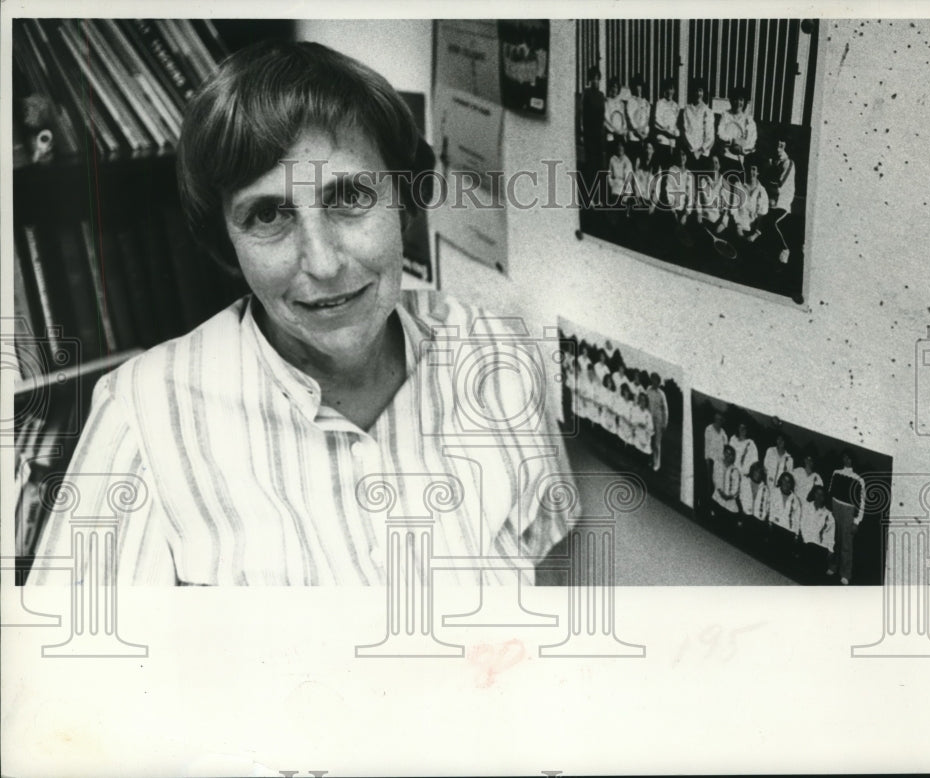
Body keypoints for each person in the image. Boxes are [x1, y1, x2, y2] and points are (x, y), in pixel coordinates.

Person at [29, 41, 575, 586]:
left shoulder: (500, 358)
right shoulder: (143, 417)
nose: (322, 261)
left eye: (350, 196)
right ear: (227, 244)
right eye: (268, 214)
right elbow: (74, 661)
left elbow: (547, 582)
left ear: (405, 203)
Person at [827, 449, 867, 585]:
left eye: (849, 458)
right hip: (835, 507)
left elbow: (862, 503)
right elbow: (830, 492)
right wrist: (829, 511)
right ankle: (832, 566)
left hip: (848, 512)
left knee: (846, 544)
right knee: (833, 540)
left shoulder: (859, 479)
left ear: (853, 460)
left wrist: (857, 522)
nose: (846, 460)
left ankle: (845, 574)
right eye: (845, 457)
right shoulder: (836, 473)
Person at [764, 137, 796, 263]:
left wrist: (767, 181)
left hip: (782, 203)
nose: (778, 148)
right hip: (768, 203)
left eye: (781, 145)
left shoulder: (789, 163)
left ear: (785, 146)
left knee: (769, 222)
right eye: (776, 145)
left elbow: (779, 185)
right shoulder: (771, 162)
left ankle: (785, 249)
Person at [716, 88, 757, 175]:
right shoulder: (725, 115)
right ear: (731, 101)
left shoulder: (748, 119)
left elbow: (751, 141)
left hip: (741, 157)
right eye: (735, 99)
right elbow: (720, 133)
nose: (738, 102)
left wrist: (741, 148)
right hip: (725, 155)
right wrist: (733, 141)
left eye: (741, 100)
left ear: (745, 101)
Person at [581, 65, 607, 195]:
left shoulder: (602, 95)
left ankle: (598, 194)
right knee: (590, 164)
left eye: (597, 78)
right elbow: (582, 114)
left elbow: (603, 115)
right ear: (590, 80)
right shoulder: (586, 94)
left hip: (599, 134)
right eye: (593, 79)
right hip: (589, 134)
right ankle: (588, 193)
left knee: (599, 164)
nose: (595, 81)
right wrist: (582, 132)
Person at [801, 485, 836, 573]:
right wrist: (806, 541)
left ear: (825, 498)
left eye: (822, 495)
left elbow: (831, 535)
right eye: (817, 494)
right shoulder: (806, 506)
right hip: (806, 542)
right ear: (813, 494)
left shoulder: (828, 514)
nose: (819, 497)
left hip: (820, 547)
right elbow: (802, 524)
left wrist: (830, 550)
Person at [732, 162, 770, 242]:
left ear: (758, 172)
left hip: (754, 234)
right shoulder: (738, 185)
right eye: (748, 169)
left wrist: (754, 236)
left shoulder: (762, 191)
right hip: (737, 229)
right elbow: (733, 210)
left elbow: (763, 215)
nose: (750, 171)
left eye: (753, 169)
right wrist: (739, 230)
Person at [681, 80, 714, 167]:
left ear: (703, 92)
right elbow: (685, 130)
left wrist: (700, 151)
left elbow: (710, 135)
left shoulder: (708, 111)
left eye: (700, 90)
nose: (698, 93)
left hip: (703, 153)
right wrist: (692, 150)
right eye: (695, 90)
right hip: (689, 152)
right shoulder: (687, 109)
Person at [769, 471, 803, 553]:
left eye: (788, 482)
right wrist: (770, 522)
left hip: (788, 531)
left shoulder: (795, 500)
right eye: (784, 480)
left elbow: (797, 518)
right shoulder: (774, 492)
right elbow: (771, 509)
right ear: (780, 481)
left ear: (791, 485)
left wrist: (796, 534)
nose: (786, 483)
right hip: (775, 526)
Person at [652, 78, 681, 169]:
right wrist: (666, 130)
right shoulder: (659, 103)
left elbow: (676, 123)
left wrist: (675, 132)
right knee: (659, 168)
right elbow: (657, 121)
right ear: (665, 90)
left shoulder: (676, 106)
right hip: (662, 138)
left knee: (668, 168)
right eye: (668, 88)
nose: (670, 91)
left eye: (672, 89)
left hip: (672, 140)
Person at [737, 461, 770, 532]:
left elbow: (767, 506)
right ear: (752, 471)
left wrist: (762, 517)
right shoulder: (744, 481)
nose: (757, 474)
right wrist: (741, 512)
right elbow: (739, 497)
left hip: (758, 521)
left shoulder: (765, 489)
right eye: (756, 471)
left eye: (760, 472)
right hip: (744, 515)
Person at [703, 411, 728, 504]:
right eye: (717, 419)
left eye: (720, 419)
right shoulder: (708, 429)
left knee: (719, 486)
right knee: (709, 485)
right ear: (714, 418)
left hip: (721, 464)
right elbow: (706, 446)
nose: (718, 421)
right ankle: (708, 503)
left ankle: (716, 503)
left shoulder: (724, 433)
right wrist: (707, 461)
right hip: (711, 461)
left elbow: (726, 450)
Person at [711, 445, 741, 522]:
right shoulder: (718, 463)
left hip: (729, 503)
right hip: (717, 498)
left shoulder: (735, 470)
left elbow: (736, 488)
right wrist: (721, 493)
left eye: (731, 454)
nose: (728, 456)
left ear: (733, 457)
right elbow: (716, 479)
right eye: (726, 453)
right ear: (723, 453)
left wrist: (729, 497)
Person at [625, 74, 651, 161]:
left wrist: (644, 133)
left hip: (643, 137)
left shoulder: (646, 102)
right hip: (633, 137)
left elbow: (647, 119)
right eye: (636, 86)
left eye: (640, 86)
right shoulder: (630, 101)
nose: (638, 88)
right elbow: (630, 119)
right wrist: (638, 132)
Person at [647, 372, 669, 472]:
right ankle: (650, 460)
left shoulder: (661, 394)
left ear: (659, 382)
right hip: (649, 419)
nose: (654, 382)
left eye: (656, 380)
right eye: (652, 379)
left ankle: (657, 464)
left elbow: (665, 410)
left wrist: (665, 423)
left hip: (658, 420)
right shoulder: (648, 389)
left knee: (657, 443)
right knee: (649, 440)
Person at [604, 77, 627, 151]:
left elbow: (624, 119)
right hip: (611, 136)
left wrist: (623, 130)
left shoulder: (621, 104)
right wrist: (615, 131)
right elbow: (606, 120)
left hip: (621, 135)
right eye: (613, 87)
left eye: (616, 87)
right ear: (610, 88)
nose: (614, 89)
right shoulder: (606, 102)